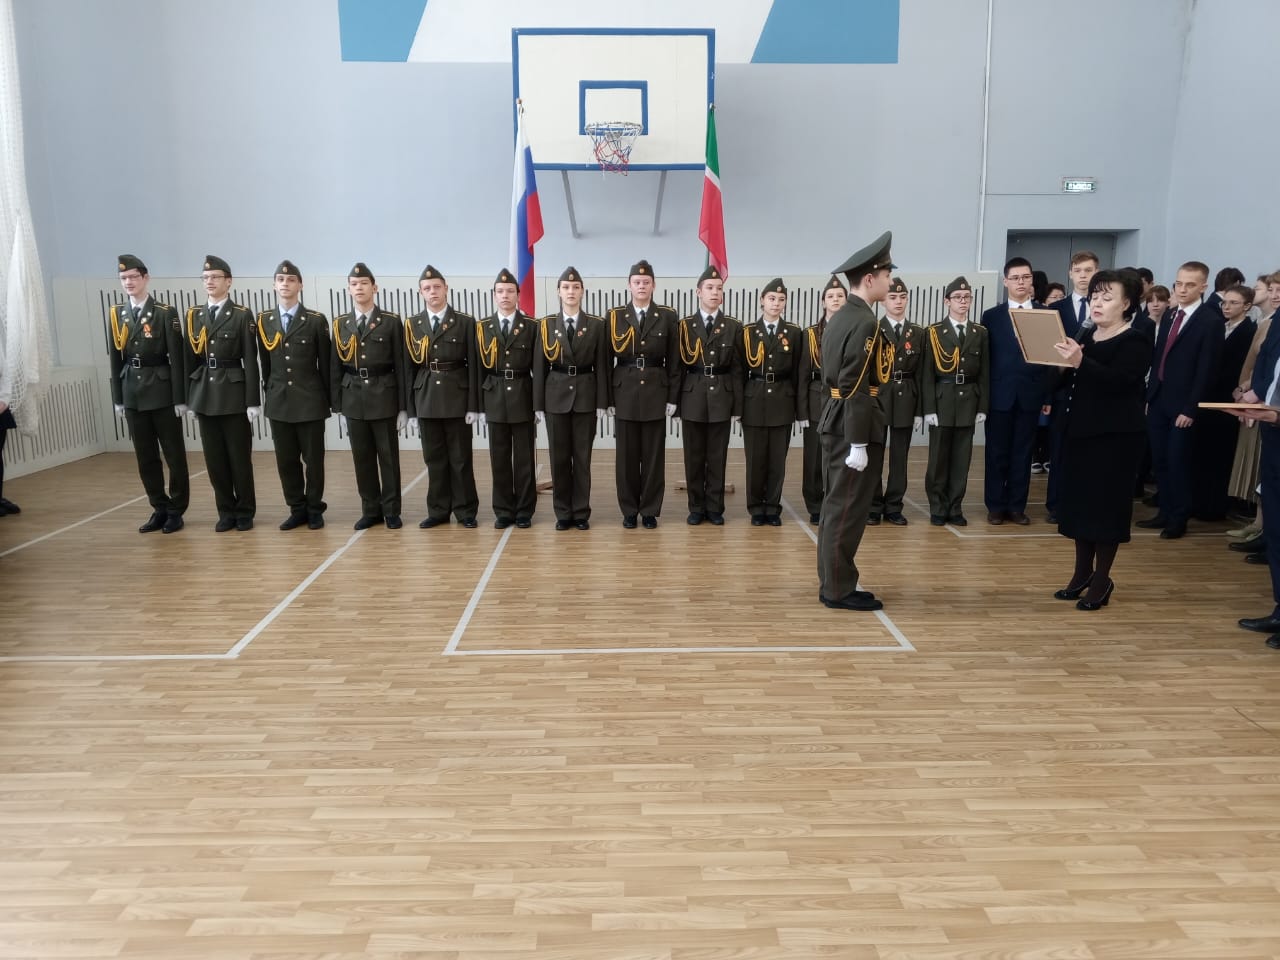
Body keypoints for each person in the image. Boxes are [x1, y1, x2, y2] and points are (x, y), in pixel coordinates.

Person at [1050, 270, 1151, 610]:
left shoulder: (1135, 340)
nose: (1097, 303)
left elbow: (1122, 382)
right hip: (1080, 433)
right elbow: (1060, 384)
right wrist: (1061, 364)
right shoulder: (1085, 336)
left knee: (1106, 510)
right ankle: (1082, 573)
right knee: (1080, 507)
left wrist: (1081, 362)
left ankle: (1102, 580)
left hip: (1116, 439)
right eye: (1095, 296)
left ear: (1126, 304)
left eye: (1107, 298)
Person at [817, 231, 893, 612]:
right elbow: (854, 385)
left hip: (835, 419)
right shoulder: (864, 322)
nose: (890, 282)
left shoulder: (841, 316)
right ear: (870, 278)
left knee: (836, 507)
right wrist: (859, 441)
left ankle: (834, 581)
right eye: (887, 275)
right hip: (851, 424)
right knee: (846, 510)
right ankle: (838, 589)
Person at [1136, 260, 1224, 539]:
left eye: (1190, 285)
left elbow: (1207, 369)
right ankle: (1164, 511)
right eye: (1179, 284)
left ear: (1203, 287)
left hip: (1183, 405)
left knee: (1178, 462)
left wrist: (1191, 408)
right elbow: (1159, 357)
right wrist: (1150, 396)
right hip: (1159, 399)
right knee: (1160, 460)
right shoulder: (1171, 314)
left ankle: (1179, 516)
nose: (1182, 289)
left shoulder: (1210, 321)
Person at [106, 254, 187, 533]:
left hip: (162, 390)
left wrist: (180, 397)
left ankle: (176, 509)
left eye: (133, 277)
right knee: (145, 456)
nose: (128, 282)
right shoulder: (117, 314)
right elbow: (115, 358)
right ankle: (159, 506)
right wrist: (118, 397)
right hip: (133, 391)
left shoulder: (164, 312)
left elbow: (177, 358)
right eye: (123, 278)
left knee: (174, 455)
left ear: (145, 278)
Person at [183, 255, 259, 532]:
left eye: (215, 277)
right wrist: (190, 399)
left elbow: (250, 360)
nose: (209, 282)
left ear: (228, 281)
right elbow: (189, 359)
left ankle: (245, 511)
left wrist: (252, 401)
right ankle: (225, 510)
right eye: (205, 278)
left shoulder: (241, 314)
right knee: (214, 460)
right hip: (205, 393)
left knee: (239, 458)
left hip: (233, 393)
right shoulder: (194, 315)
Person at [331, 262, 408, 530]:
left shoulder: (391, 321)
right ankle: (370, 509)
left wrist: (403, 407)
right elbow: (334, 367)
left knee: (388, 458)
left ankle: (392, 511)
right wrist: (338, 406)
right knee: (362, 458)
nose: (359, 288)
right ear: (348, 290)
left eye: (364, 283)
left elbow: (401, 365)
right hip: (353, 397)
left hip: (384, 395)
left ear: (375, 288)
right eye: (354, 284)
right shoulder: (341, 324)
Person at [533, 266, 610, 531]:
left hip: (586, 396)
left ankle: (581, 512)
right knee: (559, 458)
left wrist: (602, 402)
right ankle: (563, 512)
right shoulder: (545, 325)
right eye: (566, 287)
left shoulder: (596, 325)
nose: (570, 292)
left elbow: (602, 365)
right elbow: (539, 367)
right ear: (558, 291)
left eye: (575, 287)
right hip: (555, 397)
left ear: (582, 292)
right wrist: (538, 404)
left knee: (582, 458)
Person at [256, 259, 330, 530]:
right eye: (280, 280)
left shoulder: (315, 321)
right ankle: (296, 508)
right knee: (286, 460)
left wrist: (329, 401)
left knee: (314, 460)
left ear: (300, 285)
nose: (285, 284)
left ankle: (314, 508)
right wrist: (269, 393)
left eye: (290, 280)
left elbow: (325, 364)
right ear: (274, 285)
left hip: (310, 401)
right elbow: (265, 364)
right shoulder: (265, 320)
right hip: (279, 401)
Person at [405, 265, 480, 529]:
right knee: (434, 459)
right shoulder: (413, 325)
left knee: (460, 458)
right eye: (427, 288)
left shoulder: (465, 322)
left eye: (437, 287)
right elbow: (408, 369)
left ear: (446, 289)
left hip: (457, 395)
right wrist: (410, 409)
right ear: (420, 292)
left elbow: (474, 365)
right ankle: (438, 511)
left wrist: (474, 405)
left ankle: (465, 510)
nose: (433, 292)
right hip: (426, 396)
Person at [607, 260, 679, 528]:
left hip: (655, 392)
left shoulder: (667, 316)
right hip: (624, 391)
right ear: (629, 285)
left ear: (653, 286)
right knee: (626, 457)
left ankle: (649, 510)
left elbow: (674, 361)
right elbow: (605, 361)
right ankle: (628, 510)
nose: (641, 286)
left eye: (646, 282)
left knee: (653, 456)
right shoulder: (614, 316)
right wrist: (608, 399)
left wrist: (672, 397)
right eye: (637, 282)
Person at [922, 276, 989, 526]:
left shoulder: (980, 332)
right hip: (943, 399)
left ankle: (955, 506)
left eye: (967, 297)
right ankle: (938, 507)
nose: (963, 301)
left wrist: (982, 406)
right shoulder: (933, 332)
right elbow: (927, 373)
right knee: (938, 459)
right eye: (958, 297)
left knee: (962, 459)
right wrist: (929, 407)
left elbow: (984, 372)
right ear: (946, 301)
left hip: (968, 400)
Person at [677, 264, 741, 525]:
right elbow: (678, 368)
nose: (715, 292)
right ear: (698, 292)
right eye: (710, 288)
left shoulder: (733, 326)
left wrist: (737, 407)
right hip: (692, 395)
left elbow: (738, 369)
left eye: (719, 288)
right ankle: (696, 507)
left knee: (717, 455)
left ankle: (715, 507)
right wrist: (675, 402)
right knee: (693, 456)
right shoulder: (684, 326)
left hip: (721, 396)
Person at [981, 257, 1043, 525]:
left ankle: (1017, 506)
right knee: (996, 453)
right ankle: (995, 505)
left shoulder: (1044, 314)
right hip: (1000, 395)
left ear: (1032, 281)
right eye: (1015, 278)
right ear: (1005, 281)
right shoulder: (992, 316)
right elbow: (986, 359)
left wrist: (1046, 395)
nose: (1021, 282)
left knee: (1023, 453)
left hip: (1030, 395)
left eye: (1026, 277)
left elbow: (1049, 360)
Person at [738, 278, 805, 526]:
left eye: (781, 299)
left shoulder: (794, 333)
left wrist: (799, 409)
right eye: (772, 298)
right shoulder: (747, 332)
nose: (776, 303)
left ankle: (773, 508)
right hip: (753, 399)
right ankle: (756, 508)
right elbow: (739, 371)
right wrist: (738, 406)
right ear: (762, 301)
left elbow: (799, 372)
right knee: (755, 460)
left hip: (782, 400)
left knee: (777, 460)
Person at [476, 268, 538, 529]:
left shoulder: (531, 327)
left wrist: (538, 404)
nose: (505, 295)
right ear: (493, 295)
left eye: (510, 291)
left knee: (524, 458)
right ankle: (503, 510)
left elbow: (538, 368)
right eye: (500, 291)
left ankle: (524, 510)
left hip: (523, 394)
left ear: (518, 295)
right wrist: (479, 406)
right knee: (499, 458)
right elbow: (478, 369)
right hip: (494, 396)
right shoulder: (482, 327)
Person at [1191, 284, 1256, 521]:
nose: (1226, 307)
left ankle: (1215, 506)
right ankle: (1200, 502)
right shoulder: (1222, 326)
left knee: (1220, 453)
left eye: (1233, 303)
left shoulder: (1249, 331)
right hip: (1210, 398)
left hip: (1228, 398)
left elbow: (1239, 367)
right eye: (1224, 302)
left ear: (1247, 306)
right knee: (1204, 452)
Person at [1045, 251, 1096, 521]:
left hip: (1092, 388)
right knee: (1059, 450)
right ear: (1070, 274)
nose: (1083, 275)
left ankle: (1082, 504)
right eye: (1078, 270)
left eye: (1088, 270)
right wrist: (1048, 393)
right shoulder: (1056, 308)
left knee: (1087, 453)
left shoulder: (1104, 308)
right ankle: (1056, 504)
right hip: (1062, 387)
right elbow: (1047, 354)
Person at [869, 275, 924, 526]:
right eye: (892, 297)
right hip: (879, 396)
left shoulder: (918, 332)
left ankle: (894, 506)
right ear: (883, 301)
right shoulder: (873, 329)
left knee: (900, 457)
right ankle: (873, 505)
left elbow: (922, 373)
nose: (898, 301)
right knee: (874, 455)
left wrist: (920, 410)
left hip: (906, 396)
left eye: (902, 297)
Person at [801, 276, 846, 524]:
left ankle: (837, 503)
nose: (835, 300)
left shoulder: (854, 329)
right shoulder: (810, 334)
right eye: (831, 296)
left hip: (845, 396)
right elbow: (802, 375)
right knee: (815, 456)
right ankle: (815, 505)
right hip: (817, 397)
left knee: (842, 455)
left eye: (840, 296)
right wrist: (801, 411)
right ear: (822, 302)